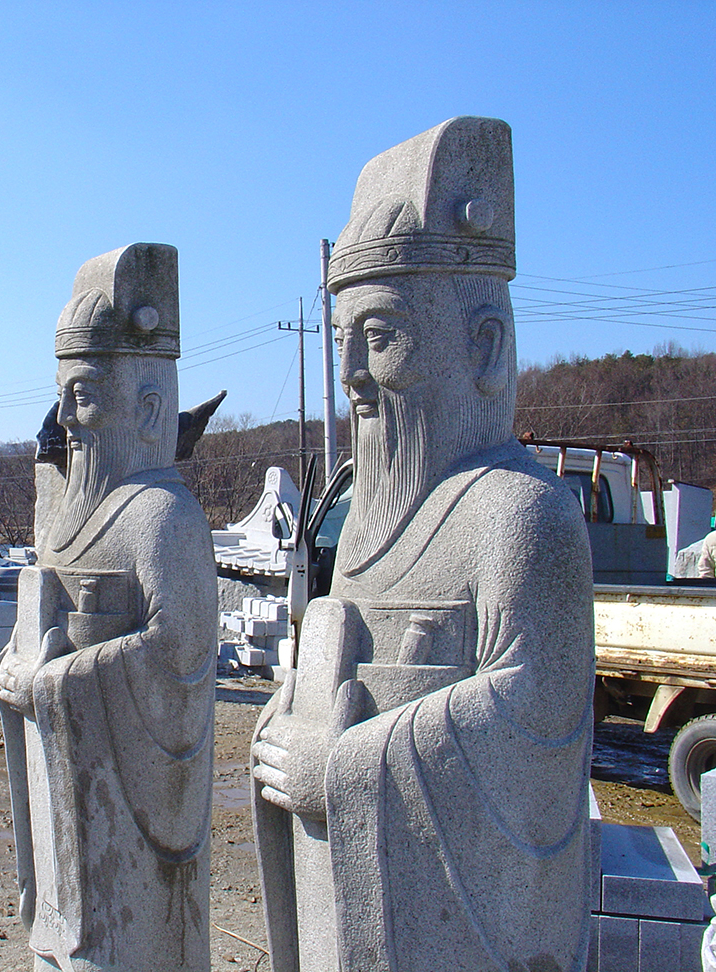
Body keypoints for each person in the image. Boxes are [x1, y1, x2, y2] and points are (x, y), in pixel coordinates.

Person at [251, 118, 596, 972]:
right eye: (341, 344)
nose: (350, 378)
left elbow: (532, 726)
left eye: (381, 338)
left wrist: (344, 768)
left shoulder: (523, 518)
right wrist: (284, 714)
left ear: (481, 345)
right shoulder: (366, 523)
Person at [0, 243, 217, 972]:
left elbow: (180, 651)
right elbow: (39, 627)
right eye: (63, 392)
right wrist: (14, 664)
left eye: (84, 393)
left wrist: (56, 681)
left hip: (124, 845)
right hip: (65, 822)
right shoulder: (67, 515)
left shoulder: (164, 518)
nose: (66, 416)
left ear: (148, 407)